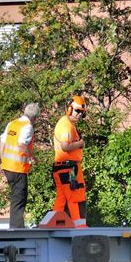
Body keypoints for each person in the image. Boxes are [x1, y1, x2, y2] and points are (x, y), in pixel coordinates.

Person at [0, 103, 39, 228]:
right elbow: (22, 145)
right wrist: (32, 157)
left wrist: (3, 161)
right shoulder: (27, 127)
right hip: (18, 168)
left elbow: (2, 141)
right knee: (19, 200)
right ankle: (17, 230)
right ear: (35, 117)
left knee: (15, 198)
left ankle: (15, 227)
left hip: (8, 167)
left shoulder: (13, 124)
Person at [52, 95, 88, 228]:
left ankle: (54, 225)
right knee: (76, 196)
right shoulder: (66, 125)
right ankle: (80, 228)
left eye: (82, 113)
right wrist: (80, 144)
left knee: (61, 200)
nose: (79, 115)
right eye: (77, 111)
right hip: (69, 168)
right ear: (69, 109)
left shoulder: (68, 124)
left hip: (64, 167)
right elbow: (65, 147)